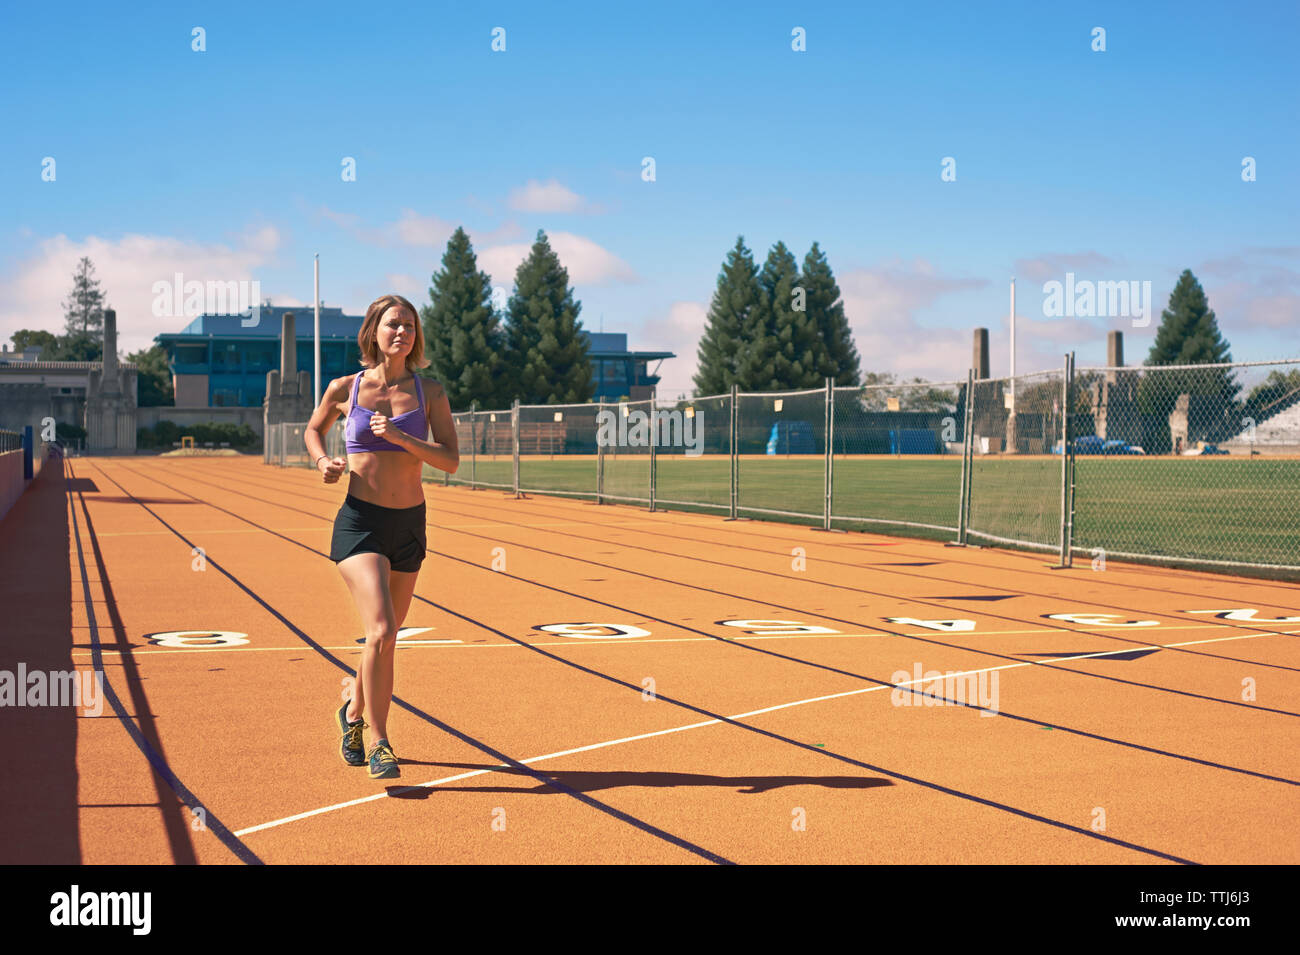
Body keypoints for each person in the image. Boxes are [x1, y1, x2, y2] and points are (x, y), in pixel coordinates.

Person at [303, 293, 459, 779]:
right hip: (360, 522)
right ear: (373, 331)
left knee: (383, 641)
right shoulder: (345, 388)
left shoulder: (429, 392)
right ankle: (380, 742)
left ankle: (351, 711)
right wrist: (323, 461)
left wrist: (400, 437)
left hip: (409, 524)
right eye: (394, 324)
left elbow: (449, 460)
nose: (402, 333)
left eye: (410, 326)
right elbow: (313, 430)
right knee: (383, 630)